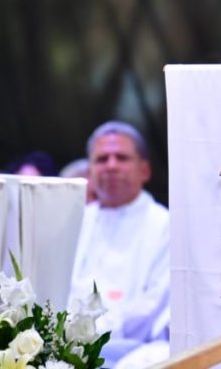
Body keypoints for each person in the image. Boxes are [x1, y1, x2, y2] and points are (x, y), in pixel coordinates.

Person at [69, 121, 170, 366]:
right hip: (67, 345)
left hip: (133, 351)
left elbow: (154, 304)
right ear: (90, 171)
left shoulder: (165, 224)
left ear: (145, 170)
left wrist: (94, 335)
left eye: (122, 158)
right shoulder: (74, 221)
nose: (111, 166)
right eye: (102, 159)